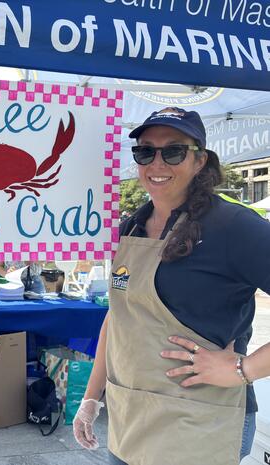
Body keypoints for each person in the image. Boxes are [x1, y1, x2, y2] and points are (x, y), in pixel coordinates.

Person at [72, 107, 270, 465]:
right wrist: (91, 397)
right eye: (145, 151)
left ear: (200, 161)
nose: (157, 163)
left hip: (199, 423)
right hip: (129, 417)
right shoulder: (131, 227)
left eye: (173, 151)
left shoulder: (235, 226)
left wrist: (245, 369)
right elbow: (119, 317)